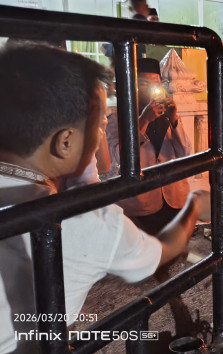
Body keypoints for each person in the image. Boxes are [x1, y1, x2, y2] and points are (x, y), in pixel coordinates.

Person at [0, 43, 210, 353]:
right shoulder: (86, 219)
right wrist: (195, 205)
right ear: (66, 142)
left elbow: (185, 152)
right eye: (98, 125)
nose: (102, 132)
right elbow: (163, 250)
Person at [107, 58, 193, 235]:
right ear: (134, 86)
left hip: (174, 199)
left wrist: (175, 120)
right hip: (140, 204)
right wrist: (144, 120)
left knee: (177, 255)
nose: (151, 89)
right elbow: (118, 159)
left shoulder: (167, 115)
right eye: (144, 83)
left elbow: (186, 153)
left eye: (155, 83)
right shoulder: (117, 120)